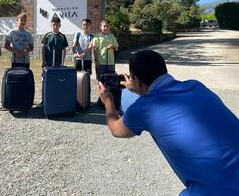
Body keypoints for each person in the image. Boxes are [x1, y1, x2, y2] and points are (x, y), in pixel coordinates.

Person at [97, 50, 239, 196]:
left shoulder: (144, 107)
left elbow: (116, 129)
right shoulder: (196, 86)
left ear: (137, 80)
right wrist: (139, 88)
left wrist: (108, 102)